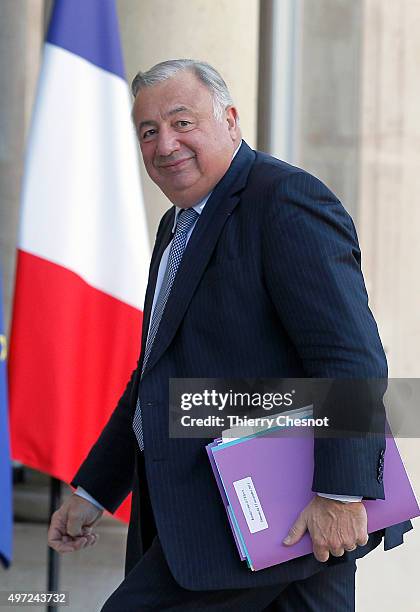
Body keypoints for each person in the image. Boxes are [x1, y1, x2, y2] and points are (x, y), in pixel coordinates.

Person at [48, 59, 411, 611]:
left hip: (268, 514)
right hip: (234, 521)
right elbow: (156, 376)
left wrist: (340, 495)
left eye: (182, 122)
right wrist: (96, 488)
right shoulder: (179, 223)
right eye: (149, 132)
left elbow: (350, 355)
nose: (165, 144)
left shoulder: (285, 201)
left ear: (231, 121)